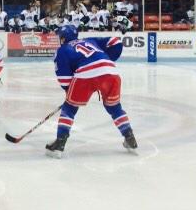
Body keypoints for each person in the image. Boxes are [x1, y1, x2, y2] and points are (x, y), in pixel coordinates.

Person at [46, 25, 137, 155]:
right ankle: (130, 137)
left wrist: (70, 95)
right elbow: (115, 42)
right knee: (114, 107)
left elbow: (64, 79)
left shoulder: (62, 50)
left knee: (70, 108)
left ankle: (60, 143)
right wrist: (105, 61)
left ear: (63, 38)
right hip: (110, 71)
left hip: (85, 75)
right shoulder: (90, 40)